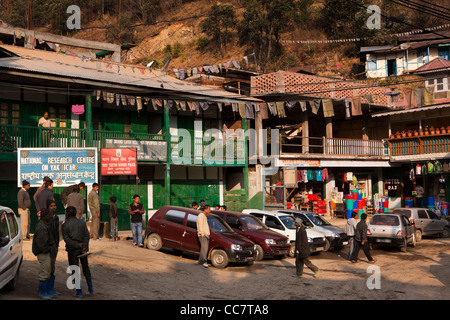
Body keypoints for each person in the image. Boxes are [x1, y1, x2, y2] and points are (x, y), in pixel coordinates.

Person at [61, 206, 93, 298]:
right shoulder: (82, 222)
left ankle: (79, 292)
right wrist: (84, 246)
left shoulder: (65, 225)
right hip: (83, 250)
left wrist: (76, 245)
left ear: (67, 213)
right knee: (86, 268)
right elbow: (87, 235)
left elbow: (66, 239)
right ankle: (90, 289)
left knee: (75, 270)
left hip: (72, 250)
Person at [32, 208, 57, 299]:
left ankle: (46, 290)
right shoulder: (42, 227)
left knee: (48, 270)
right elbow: (42, 245)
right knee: (45, 271)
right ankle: (42, 292)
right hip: (43, 252)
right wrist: (50, 248)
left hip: (45, 251)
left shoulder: (44, 225)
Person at [46, 199, 60, 298]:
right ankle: (45, 290)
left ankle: (51, 289)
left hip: (55, 246)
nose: (53, 207)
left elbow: (56, 232)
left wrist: (56, 244)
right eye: (51, 206)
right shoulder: (45, 218)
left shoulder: (56, 218)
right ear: (48, 207)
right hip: (48, 247)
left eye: (54, 205)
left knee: (52, 267)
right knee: (47, 268)